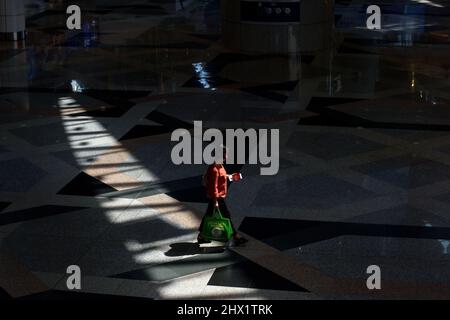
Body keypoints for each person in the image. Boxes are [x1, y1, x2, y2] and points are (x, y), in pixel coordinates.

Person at [197, 146, 248, 246]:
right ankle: (236, 237)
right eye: (225, 155)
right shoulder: (214, 169)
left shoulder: (219, 166)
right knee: (226, 215)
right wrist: (215, 201)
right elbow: (213, 187)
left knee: (209, 214)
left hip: (217, 197)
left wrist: (230, 176)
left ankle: (201, 236)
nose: (226, 157)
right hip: (217, 197)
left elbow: (222, 176)